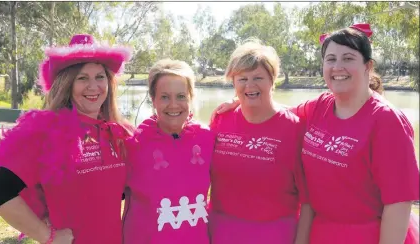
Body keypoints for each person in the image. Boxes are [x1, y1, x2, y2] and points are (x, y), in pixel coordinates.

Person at [213, 23, 420, 244]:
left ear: (367, 66)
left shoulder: (387, 121)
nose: (337, 67)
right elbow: (276, 113)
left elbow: (398, 203)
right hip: (321, 232)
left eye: (348, 58)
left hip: (367, 234)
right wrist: (243, 98)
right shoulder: (320, 106)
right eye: (331, 59)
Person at [0, 34, 134, 244]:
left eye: (100, 77)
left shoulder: (117, 133)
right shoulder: (46, 134)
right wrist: (47, 236)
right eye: (82, 78)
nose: (94, 86)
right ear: (67, 84)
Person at [208, 40, 312, 244]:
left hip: (275, 234)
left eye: (258, 78)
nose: (250, 85)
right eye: (242, 79)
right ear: (233, 83)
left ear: (272, 81)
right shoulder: (221, 119)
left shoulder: (295, 128)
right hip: (221, 232)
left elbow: (308, 201)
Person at [122, 59, 215, 244]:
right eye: (165, 97)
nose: (173, 105)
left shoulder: (208, 138)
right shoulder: (132, 144)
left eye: (181, 96)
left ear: (191, 97)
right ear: (153, 99)